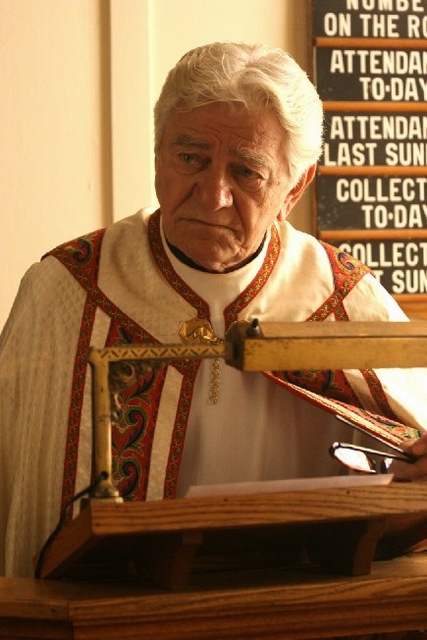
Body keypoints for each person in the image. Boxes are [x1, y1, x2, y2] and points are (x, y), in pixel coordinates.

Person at [1, 41, 427, 580]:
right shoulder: (69, 289)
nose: (213, 195)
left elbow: (406, 480)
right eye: (190, 159)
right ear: (158, 153)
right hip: (116, 609)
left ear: (294, 187)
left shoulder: (344, 299)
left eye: (246, 172)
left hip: (303, 602)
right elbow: (15, 486)